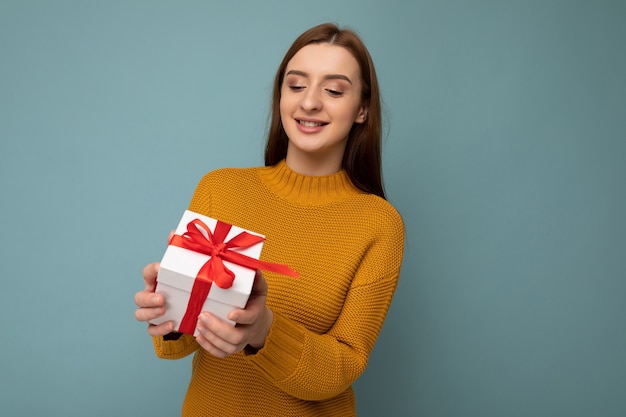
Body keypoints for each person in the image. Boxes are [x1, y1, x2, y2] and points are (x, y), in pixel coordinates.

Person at [134, 22, 405, 416]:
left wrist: (263, 331)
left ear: (362, 108)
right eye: (296, 85)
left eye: (333, 90)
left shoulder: (378, 224)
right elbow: (175, 346)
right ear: (281, 96)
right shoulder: (220, 189)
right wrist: (169, 307)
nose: (309, 103)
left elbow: (344, 366)